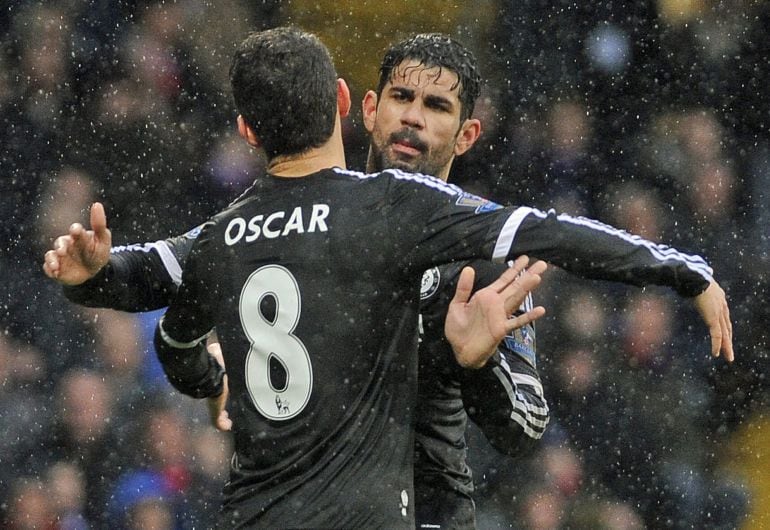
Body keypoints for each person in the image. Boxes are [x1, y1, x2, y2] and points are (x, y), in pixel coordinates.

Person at [44, 27, 732, 528]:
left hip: (427, 512)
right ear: (363, 108)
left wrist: (476, 359)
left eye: (437, 107)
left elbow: (523, 431)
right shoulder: (298, 220)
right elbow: (172, 308)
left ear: (467, 137)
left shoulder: (484, 257)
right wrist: (211, 371)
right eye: (401, 96)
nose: (412, 116)